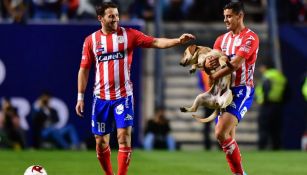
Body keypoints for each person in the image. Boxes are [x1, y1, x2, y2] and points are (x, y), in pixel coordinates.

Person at [75, 2, 195, 175]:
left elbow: (155, 42)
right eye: (111, 16)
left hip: (123, 96)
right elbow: (84, 69)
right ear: (100, 18)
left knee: (123, 137)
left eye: (116, 15)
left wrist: (178, 40)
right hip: (100, 98)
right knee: (100, 142)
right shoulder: (91, 41)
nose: (116, 19)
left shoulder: (129, 34)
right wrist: (80, 97)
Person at [204, 2, 259, 175]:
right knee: (227, 138)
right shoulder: (221, 39)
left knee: (220, 132)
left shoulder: (250, 38)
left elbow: (235, 65)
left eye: (229, 16)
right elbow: (210, 63)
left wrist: (213, 76)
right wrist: (207, 65)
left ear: (239, 16)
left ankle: (240, 173)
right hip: (224, 90)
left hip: (242, 90)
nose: (225, 20)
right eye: (224, 16)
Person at [255, 63, 287, 150]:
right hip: (278, 105)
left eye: (261, 67)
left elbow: (266, 88)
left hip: (267, 105)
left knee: (263, 127)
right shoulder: (280, 76)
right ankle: (276, 147)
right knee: (276, 127)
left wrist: (263, 100)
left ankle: (262, 147)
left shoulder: (267, 76)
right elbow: (288, 92)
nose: (260, 70)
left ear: (265, 67)